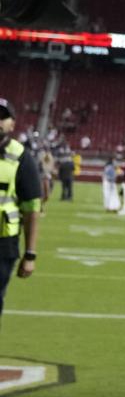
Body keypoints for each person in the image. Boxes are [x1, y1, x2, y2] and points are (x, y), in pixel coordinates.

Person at [0, 99, 41, 324]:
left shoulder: (22, 158)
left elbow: (31, 211)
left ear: (12, 124)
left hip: (3, 244)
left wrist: (30, 254)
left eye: (2, 117)